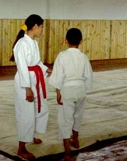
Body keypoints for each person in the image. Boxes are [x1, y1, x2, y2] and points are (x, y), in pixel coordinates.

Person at [49, 28, 93, 161]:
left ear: (66, 40)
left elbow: (58, 76)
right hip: (80, 90)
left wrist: (58, 91)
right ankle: (76, 140)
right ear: (81, 41)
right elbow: (88, 76)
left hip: (67, 90)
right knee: (78, 116)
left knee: (65, 120)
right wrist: (85, 90)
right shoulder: (83, 57)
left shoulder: (62, 56)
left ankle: (67, 154)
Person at [11, 14, 51, 160]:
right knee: (26, 114)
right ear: (35, 27)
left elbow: (37, 62)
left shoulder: (33, 42)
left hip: (35, 78)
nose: (42, 30)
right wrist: (27, 87)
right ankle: (21, 148)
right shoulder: (21, 44)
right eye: (41, 27)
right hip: (25, 81)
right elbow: (22, 67)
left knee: (40, 108)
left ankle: (31, 135)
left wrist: (46, 69)